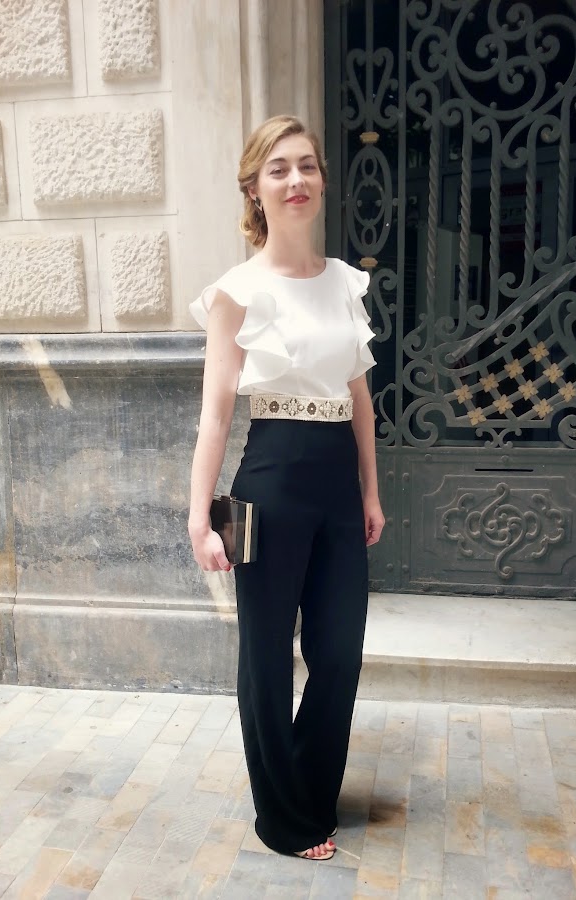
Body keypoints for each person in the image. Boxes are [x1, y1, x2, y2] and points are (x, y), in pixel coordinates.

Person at [188, 115, 385, 861]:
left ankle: (309, 789)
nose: (295, 179)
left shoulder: (344, 282)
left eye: (306, 165)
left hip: (337, 484)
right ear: (254, 189)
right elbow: (215, 416)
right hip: (267, 481)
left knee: (338, 654)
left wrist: (370, 493)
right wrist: (199, 517)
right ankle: (284, 817)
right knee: (266, 657)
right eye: (278, 169)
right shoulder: (237, 291)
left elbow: (360, 399)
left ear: (322, 181)